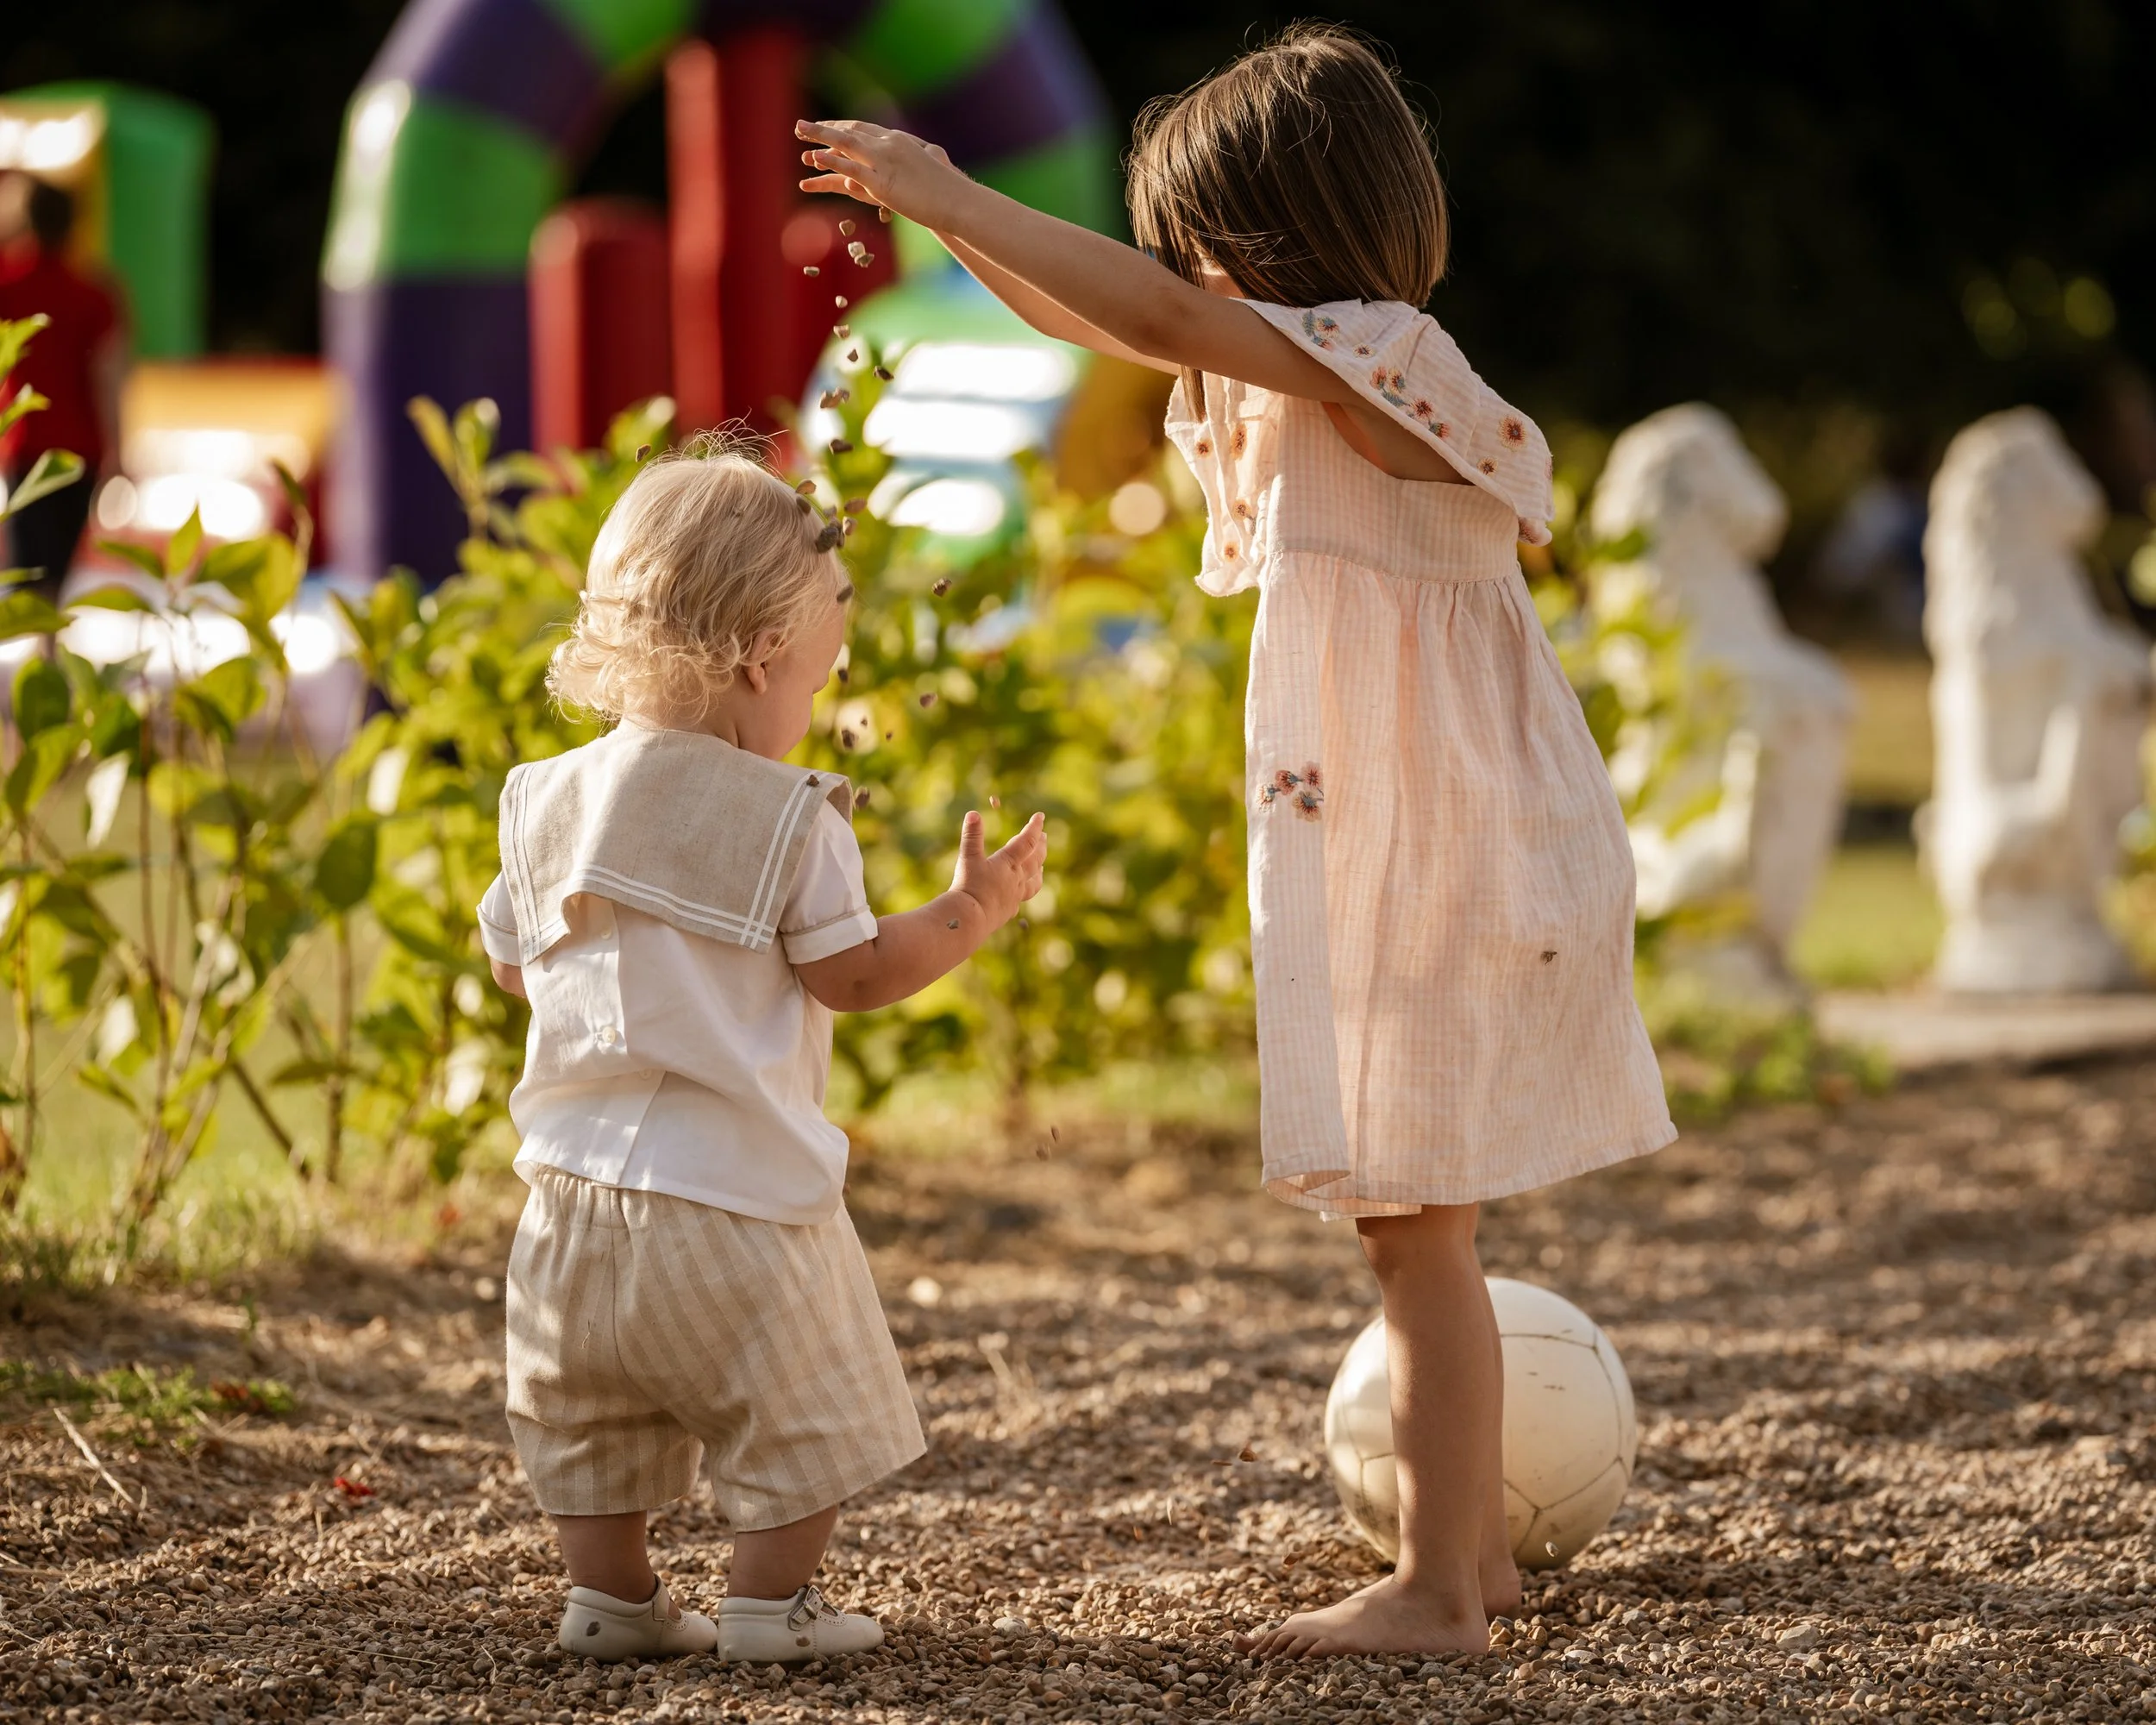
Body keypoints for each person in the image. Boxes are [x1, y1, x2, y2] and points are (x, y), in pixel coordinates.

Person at [797, 22, 1675, 1658]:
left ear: (1271, 244)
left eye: (1196, 247)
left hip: (1446, 840)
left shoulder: (1392, 363)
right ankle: (1468, 1563)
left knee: (1418, 1230)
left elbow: (1154, 312)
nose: (1180, 283)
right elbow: (1105, 320)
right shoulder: (1302, 374)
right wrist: (954, 227)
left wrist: (949, 179)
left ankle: (1433, 1597)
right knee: (1420, 1222)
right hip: (1421, 833)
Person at [476, 444, 1046, 1664]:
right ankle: (768, 1604)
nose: (814, 709)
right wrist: (970, 913)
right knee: (804, 1408)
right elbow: (856, 974)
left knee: (589, 1416)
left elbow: (515, 963)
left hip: (566, 1204)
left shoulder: (545, 799)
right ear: (757, 658)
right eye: (817, 678)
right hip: (732, 1206)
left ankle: (613, 1598)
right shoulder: (788, 818)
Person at [0, 173, 125, 600]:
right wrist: (118, 450)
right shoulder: (94, 290)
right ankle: (48, 656)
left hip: (25, 442)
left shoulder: (9, 285)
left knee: (25, 569)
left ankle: (34, 662)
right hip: (81, 449)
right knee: (55, 572)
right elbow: (109, 377)